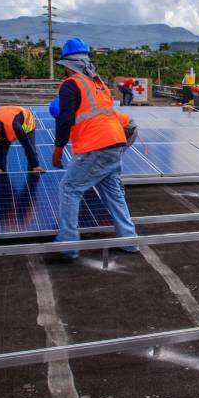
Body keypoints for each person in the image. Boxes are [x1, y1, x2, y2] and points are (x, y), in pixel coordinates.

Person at [52, 37, 139, 259]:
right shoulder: (98, 84)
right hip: (114, 143)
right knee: (113, 193)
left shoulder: (71, 84)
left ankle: (67, 246)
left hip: (94, 146)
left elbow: (64, 119)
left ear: (67, 64)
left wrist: (59, 148)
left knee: (70, 189)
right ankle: (129, 240)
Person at [0, 106, 45, 173]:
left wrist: (35, 165)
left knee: (30, 145)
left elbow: (27, 146)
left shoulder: (15, 127)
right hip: (7, 115)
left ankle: (33, 167)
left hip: (27, 121)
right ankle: (0, 168)